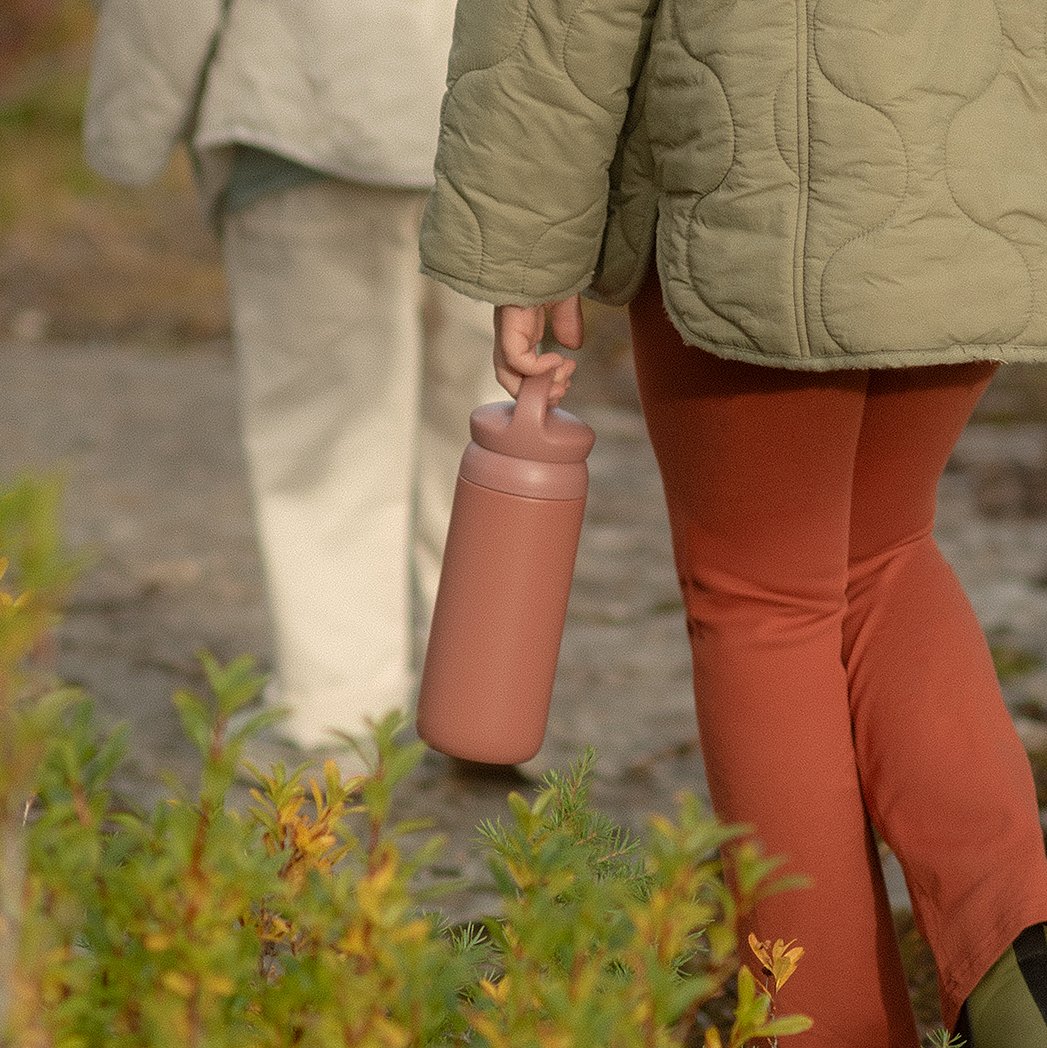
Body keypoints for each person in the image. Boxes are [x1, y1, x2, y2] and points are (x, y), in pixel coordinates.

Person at [417, 2, 1047, 1045]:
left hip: (766, 189)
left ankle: (823, 1028)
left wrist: (526, 246)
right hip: (983, 177)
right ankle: (1023, 972)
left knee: (764, 600)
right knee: (883, 552)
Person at [81, 0, 502, 751]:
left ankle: (340, 718)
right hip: (511, 128)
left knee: (326, 441)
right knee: (488, 429)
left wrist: (128, 129)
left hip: (308, 112)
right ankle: (490, 703)